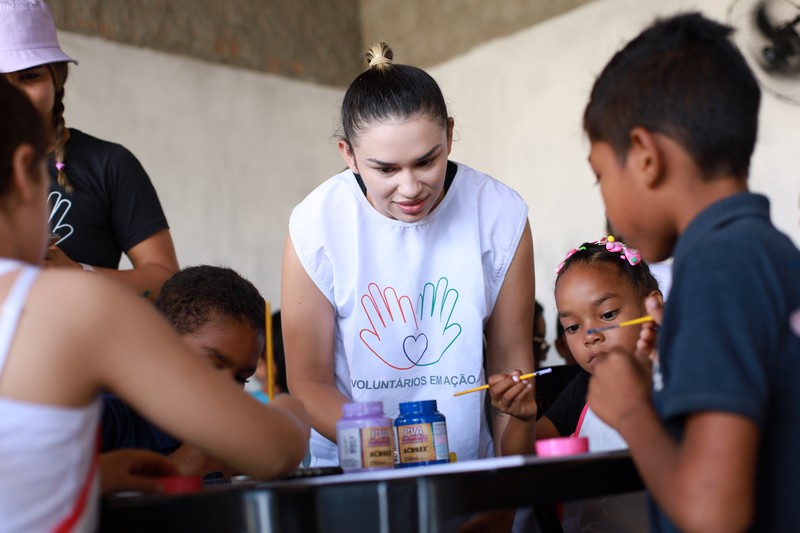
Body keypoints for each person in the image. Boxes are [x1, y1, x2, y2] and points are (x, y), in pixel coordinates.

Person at [0, 77, 309, 532]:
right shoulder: (72, 305)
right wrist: (290, 411)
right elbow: (273, 451)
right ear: (27, 171)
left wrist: (93, 475)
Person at [581, 13, 800, 532]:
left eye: (600, 176)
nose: (605, 196)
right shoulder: (769, 250)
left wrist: (632, 413)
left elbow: (713, 514)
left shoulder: (716, 267)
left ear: (646, 157)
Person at [281, 42, 535, 467]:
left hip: (471, 467)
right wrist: (398, 451)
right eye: (386, 169)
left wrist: (507, 489)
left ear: (450, 135)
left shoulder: (500, 214)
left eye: (426, 161)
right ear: (349, 156)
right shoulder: (316, 223)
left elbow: (510, 367)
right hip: (357, 467)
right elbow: (309, 383)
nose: (411, 187)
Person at [0, 0, 179, 302]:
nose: (13, 96)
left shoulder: (110, 164)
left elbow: (166, 278)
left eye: (29, 77)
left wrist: (79, 272)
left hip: (84, 344)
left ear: (57, 79)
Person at [101, 265, 265, 478]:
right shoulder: (107, 419)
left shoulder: (229, 443)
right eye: (213, 367)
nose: (228, 392)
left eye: (241, 378)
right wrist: (175, 468)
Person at [544, 236, 660, 531]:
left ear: (653, 307)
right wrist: (517, 417)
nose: (589, 335)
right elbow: (528, 451)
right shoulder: (584, 387)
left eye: (607, 315)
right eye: (573, 327)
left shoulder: (679, 376)